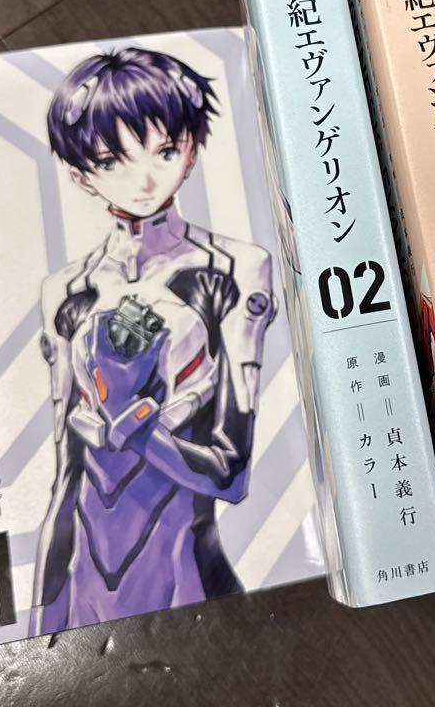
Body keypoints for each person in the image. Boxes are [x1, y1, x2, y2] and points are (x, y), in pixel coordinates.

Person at [29, 47, 276, 634]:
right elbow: (65, 475)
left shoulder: (236, 269)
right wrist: (41, 616)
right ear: (79, 174)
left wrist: (136, 426)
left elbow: (230, 474)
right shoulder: (66, 289)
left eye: (164, 150)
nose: (144, 179)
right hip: (81, 583)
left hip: (182, 571)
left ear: (191, 149)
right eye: (111, 160)